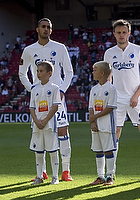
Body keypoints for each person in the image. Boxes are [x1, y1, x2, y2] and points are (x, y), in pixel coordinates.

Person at [19, 18, 74, 181]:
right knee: (40, 131)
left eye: (48, 27)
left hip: (57, 97)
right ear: (37, 29)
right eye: (43, 27)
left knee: (63, 131)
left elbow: (69, 72)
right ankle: (41, 172)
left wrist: (62, 90)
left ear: (51, 30)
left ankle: (65, 171)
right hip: (39, 100)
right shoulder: (29, 50)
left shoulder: (60, 48)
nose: (46, 29)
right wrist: (33, 89)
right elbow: (22, 73)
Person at [103, 19, 140, 179]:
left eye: (124, 32)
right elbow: (108, 78)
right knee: (115, 134)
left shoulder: (139, 50)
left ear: (129, 33)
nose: (121, 35)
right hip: (117, 101)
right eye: (118, 32)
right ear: (114, 34)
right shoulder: (109, 53)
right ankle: (111, 173)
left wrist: (136, 95)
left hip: (136, 99)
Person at [29, 61, 60, 185]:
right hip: (36, 126)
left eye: (41, 71)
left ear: (49, 73)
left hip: (49, 125)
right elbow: (32, 107)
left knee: (52, 150)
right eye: (37, 71)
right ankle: (39, 176)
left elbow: (55, 106)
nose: (38, 73)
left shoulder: (54, 88)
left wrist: (45, 120)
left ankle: (55, 177)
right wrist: (36, 121)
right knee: (39, 151)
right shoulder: (34, 89)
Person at [88, 61, 117, 186]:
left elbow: (110, 107)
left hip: (107, 126)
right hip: (96, 126)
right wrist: (93, 122)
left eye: (95, 70)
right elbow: (91, 107)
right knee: (98, 151)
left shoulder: (111, 89)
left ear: (102, 73)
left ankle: (110, 176)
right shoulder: (93, 89)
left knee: (108, 151)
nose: (93, 72)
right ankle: (100, 176)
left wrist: (94, 116)